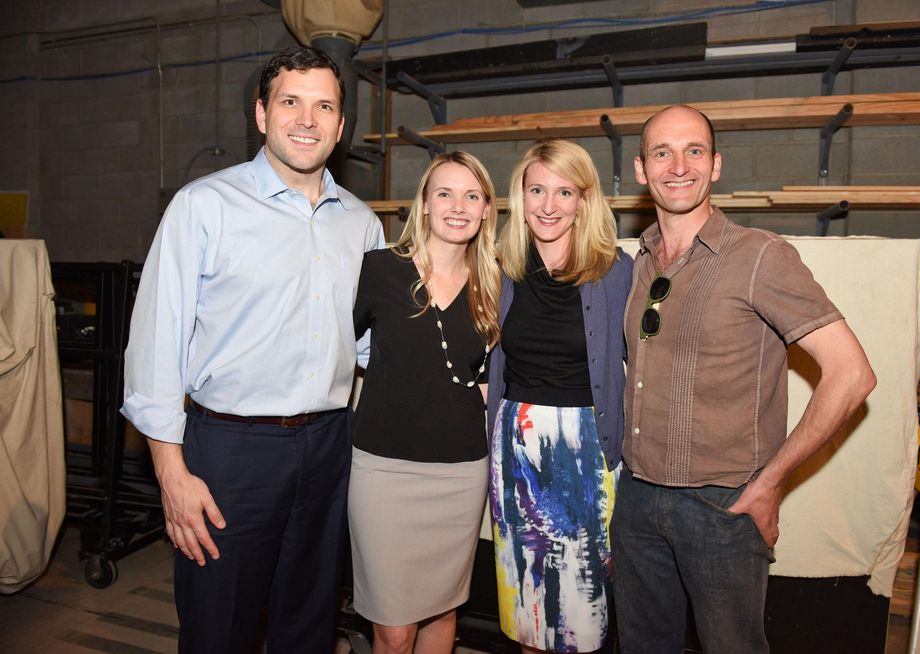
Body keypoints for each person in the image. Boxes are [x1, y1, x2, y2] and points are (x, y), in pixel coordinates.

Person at [121, 46, 384, 653]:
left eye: (324, 107)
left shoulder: (363, 224)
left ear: (341, 127)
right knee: (221, 627)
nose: (307, 120)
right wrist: (171, 474)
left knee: (309, 623)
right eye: (291, 102)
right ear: (261, 114)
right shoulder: (204, 206)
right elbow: (155, 347)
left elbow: (373, 346)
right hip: (231, 454)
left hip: (328, 448)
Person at [612, 104, 877, 654]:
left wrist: (771, 481)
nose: (678, 165)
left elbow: (852, 375)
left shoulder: (760, 256)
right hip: (636, 497)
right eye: (662, 152)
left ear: (715, 165)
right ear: (641, 170)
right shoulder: (638, 262)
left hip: (721, 508)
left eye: (694, 151)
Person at [348, 151, 500, 654]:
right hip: (383, 469)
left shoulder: (497, 283)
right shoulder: (379, 270)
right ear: (426, 205)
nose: (458, 206)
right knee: (392, 630)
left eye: (471, 196)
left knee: (443, 610)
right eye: (445, 193)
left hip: (459, 472)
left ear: (485, 210)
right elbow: (328, 350)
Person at [487, 139, 633, 654]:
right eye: (537, 190)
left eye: (564, 191)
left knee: (583, 620)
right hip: (516, 451)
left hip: (586, 453)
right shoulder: (499, 266)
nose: (549, 206)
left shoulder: (617, 271)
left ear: (584, 199)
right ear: (520, 196)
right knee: (530, 612)